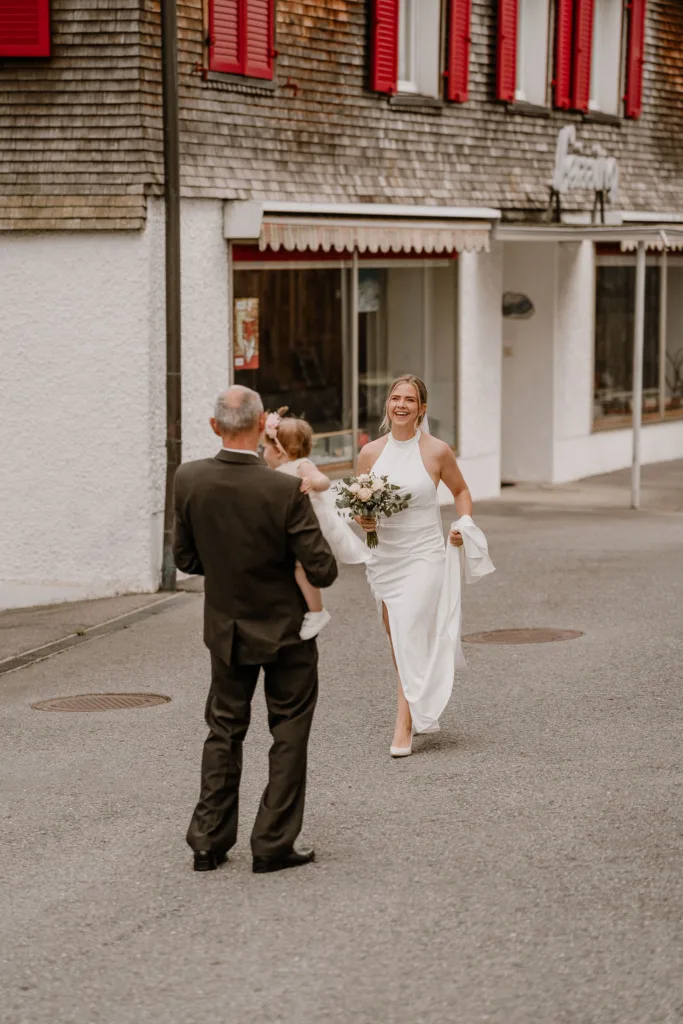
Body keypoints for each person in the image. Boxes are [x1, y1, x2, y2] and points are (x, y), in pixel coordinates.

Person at [173, 386, 338, 874]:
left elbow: (185, 558)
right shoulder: (283, 488)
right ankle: (271, 843)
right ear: (262, 421)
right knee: (288, 731)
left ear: (213, 425)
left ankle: (207, 841)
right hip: (289, 631)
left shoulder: (188, 478)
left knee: (223, 730)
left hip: (226, 627)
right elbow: (322, 570)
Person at [356, 374, 474, 758]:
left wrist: (463, 525)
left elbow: (461, 491)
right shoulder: (370, 453)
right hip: (384, 557)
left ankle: (404, 722)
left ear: (422, 408)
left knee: (408, 631)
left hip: (424, 555)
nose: (401, 405)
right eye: (395, 398)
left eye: (409, 399)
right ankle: (418, 703)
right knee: (399, 639)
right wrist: (364, 521)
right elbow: (360, 505)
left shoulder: (437, 451)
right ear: (387, 405)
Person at [262, 408, 369, 641]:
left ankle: (317, 611)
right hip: (291, 523)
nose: (264, 452)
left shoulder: (301, 465)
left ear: (283, 450)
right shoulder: (276, 470)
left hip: (310, 522)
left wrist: (313, 482)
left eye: (267, 447)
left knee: (301, 567)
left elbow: (324, 480)